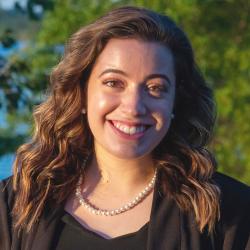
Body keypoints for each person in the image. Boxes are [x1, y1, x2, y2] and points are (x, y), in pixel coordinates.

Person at [0, 6, 249, 250]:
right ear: (82, 91)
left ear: (176, 100)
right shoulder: (14, 205)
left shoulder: (232, 213)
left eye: (155, 87)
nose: (133, 107)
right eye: (113, 83)